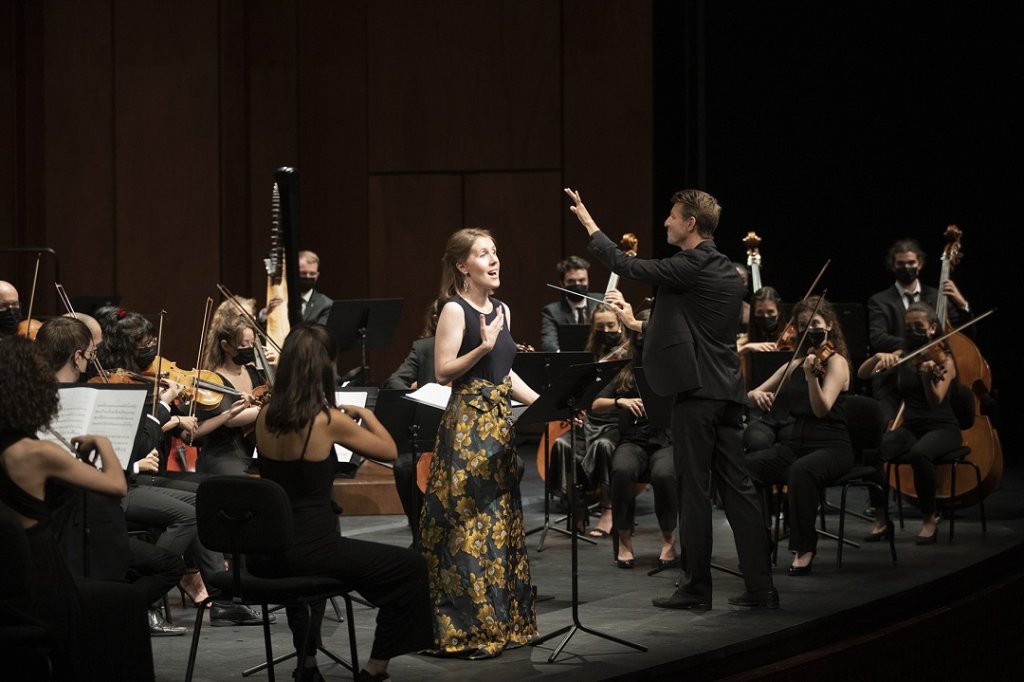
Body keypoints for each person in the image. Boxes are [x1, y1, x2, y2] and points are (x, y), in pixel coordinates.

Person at [566, 187, 776, 610]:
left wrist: (589, 223)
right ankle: (761, 588)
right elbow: (689, 331)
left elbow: (626, 263)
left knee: (694, 493)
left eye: (672, 217)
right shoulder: (723, 271)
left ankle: (697, 588)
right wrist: (635, 324)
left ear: (690, 223)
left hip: (697, 396)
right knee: (739, 490)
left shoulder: (691, 263)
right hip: (726, 392)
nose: (666, 223)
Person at [252, 323, 432, 682]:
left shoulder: (264, 415)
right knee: (410, 568)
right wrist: (366, 416)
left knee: (304, 586)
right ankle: (375, 669)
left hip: (270, 550)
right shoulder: (328, 421)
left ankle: (307, 665)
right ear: (324, 368)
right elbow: (389, 451)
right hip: (316, 546)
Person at [0, 334, 150, 679]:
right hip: (40, 584)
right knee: (125, 603)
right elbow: (115, 486)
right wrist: (104, 444)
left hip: (5, 583)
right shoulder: (38, 453)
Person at [420, 227, 540, 658]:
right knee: (468, 528)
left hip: (499, 428)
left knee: (498, 526)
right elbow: (443, 370)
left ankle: (504, 622)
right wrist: (482, 346)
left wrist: (548, 404)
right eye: (483, 253)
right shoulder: (455, 309)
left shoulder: (503, 308)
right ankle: (469, 628)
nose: (494, 260)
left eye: (495, 251)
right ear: (461, 265)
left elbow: (505, 375)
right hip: (468, 429)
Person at [745, 295, 854, 575]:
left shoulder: (837, 363)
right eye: (804, 325)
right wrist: (755, 394)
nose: (810, 329)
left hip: (832, 446)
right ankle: (759, 537)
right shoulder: (794, 364)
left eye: (815, 323)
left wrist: (811, 379)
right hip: (795, 444)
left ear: (828, 325)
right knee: (748, 468)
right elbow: (751, 395)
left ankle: (803, 547)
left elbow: (821, 408)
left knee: (800, 472)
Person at [857, 302, 959, 544]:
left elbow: (935, 401)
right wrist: (877, 358)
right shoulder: (903, 356)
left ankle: (929, 520)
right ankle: (882, 520)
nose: (912, 331)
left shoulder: (945, 361)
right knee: (872, 453)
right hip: (912, 426)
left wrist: (926, 378)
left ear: (933, 328)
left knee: (919, 455)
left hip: (942, 427)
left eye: (918, 326)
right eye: (908, 327)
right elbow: (863, 374)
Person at [588, 305, 678, 569]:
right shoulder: (624, 364)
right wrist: (621, 402)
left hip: (666, 439)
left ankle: (669, 540)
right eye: (639, 336)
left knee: (664, 475)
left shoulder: (673, 366)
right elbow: (594, 403)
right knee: (622, 469)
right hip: (633, 440)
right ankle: (624, 540)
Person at [549, 302, 628, 537]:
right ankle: (578, 509)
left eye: (611, 325)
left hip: (616, 423)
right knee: (563, 444)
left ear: (621, 326)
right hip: (590, 422)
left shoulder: (629, 355)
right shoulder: (592, 354)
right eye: (600, 326)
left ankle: (608, 509)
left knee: (604, 446)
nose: (606, 331)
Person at [383, 298, 443, 545]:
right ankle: (419, 536)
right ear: (438, 320)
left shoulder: (477, 348)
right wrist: (425, 392)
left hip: (470, 435)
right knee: (405, 466)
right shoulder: (424, 348)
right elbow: (394, 382)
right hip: (430, 432)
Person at [194, 315, 263, 475]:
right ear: (225, 346)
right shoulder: (214, 379)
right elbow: (231, 420)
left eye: (252, 343)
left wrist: (274, 366)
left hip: (251, 452)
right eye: (243, 344)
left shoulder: (254, 372)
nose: (250, 348)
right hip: (223, 455)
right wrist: (267, 409)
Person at [539, 255, 599, 351]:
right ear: (562, 284)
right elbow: (548, 343)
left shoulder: (601, 302)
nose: (577, 284)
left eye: (582, 280)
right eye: (571, 281)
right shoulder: (552, 311)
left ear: (588, 281)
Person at [265, 250, 334, 325]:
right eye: (303, 273)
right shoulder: (280, 299)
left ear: (317, 276)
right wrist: (265, 314)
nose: (308, 277)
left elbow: (320, 334)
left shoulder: (325, 304)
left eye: (312, 273)